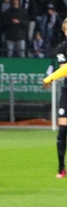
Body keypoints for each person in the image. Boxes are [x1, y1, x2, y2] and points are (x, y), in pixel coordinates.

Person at [43, 19, 67, 177]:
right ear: (65, 31)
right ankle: (61, 167)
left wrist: (49, 78)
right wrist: (51, 78)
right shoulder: (62, 48)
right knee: (63, 130)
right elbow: (65, 69)